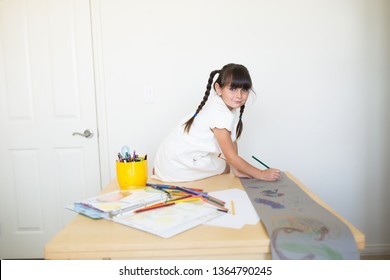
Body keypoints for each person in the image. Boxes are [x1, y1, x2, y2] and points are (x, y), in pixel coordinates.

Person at [152, 63, 280, 182]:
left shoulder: (224, 106)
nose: (239, 95)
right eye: (233, 89)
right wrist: (261, 174)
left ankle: (165, 170)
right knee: (225, 167)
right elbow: (230, 157)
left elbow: (232, 140)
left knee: (227, 167)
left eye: (244, 90)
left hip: (168, 157)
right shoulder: (219, 113)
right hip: (175, 164)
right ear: (218, 88)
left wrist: (237, 169)